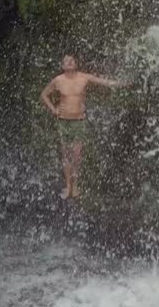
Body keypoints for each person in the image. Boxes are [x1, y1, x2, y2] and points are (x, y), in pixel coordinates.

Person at [40, 54, 129, 199]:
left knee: (76, 155)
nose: (70, 62)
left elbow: (105, 82)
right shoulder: (58, 80)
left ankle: (75, 185)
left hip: (78, 121)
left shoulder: (84, 77)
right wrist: (53, 109)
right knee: (66, 155)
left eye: (72, 60)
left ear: (76, 64)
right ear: (62, 66)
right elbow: (44, 95)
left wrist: (122, 83)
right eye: (66, 61)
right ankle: (68, 186)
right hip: (63, 121)